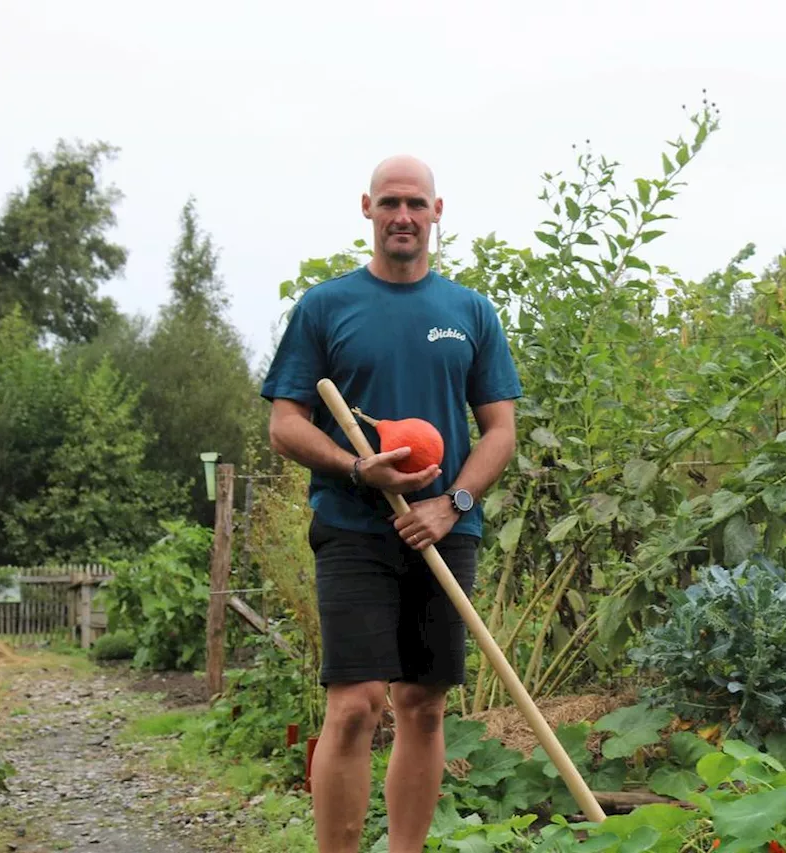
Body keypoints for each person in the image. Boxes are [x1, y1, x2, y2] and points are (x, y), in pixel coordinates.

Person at [259, 154, 522, 853]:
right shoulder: (325, 307)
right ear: (367, 208)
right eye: (389, 203)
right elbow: (285, 423)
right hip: (353, 526)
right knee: (353, 707)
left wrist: (454, 501)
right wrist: (355, 467)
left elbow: (500, 430)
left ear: (438, 212)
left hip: (441, 528)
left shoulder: (470, 311)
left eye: (415, 203)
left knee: (423, 704)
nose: (402, 216)